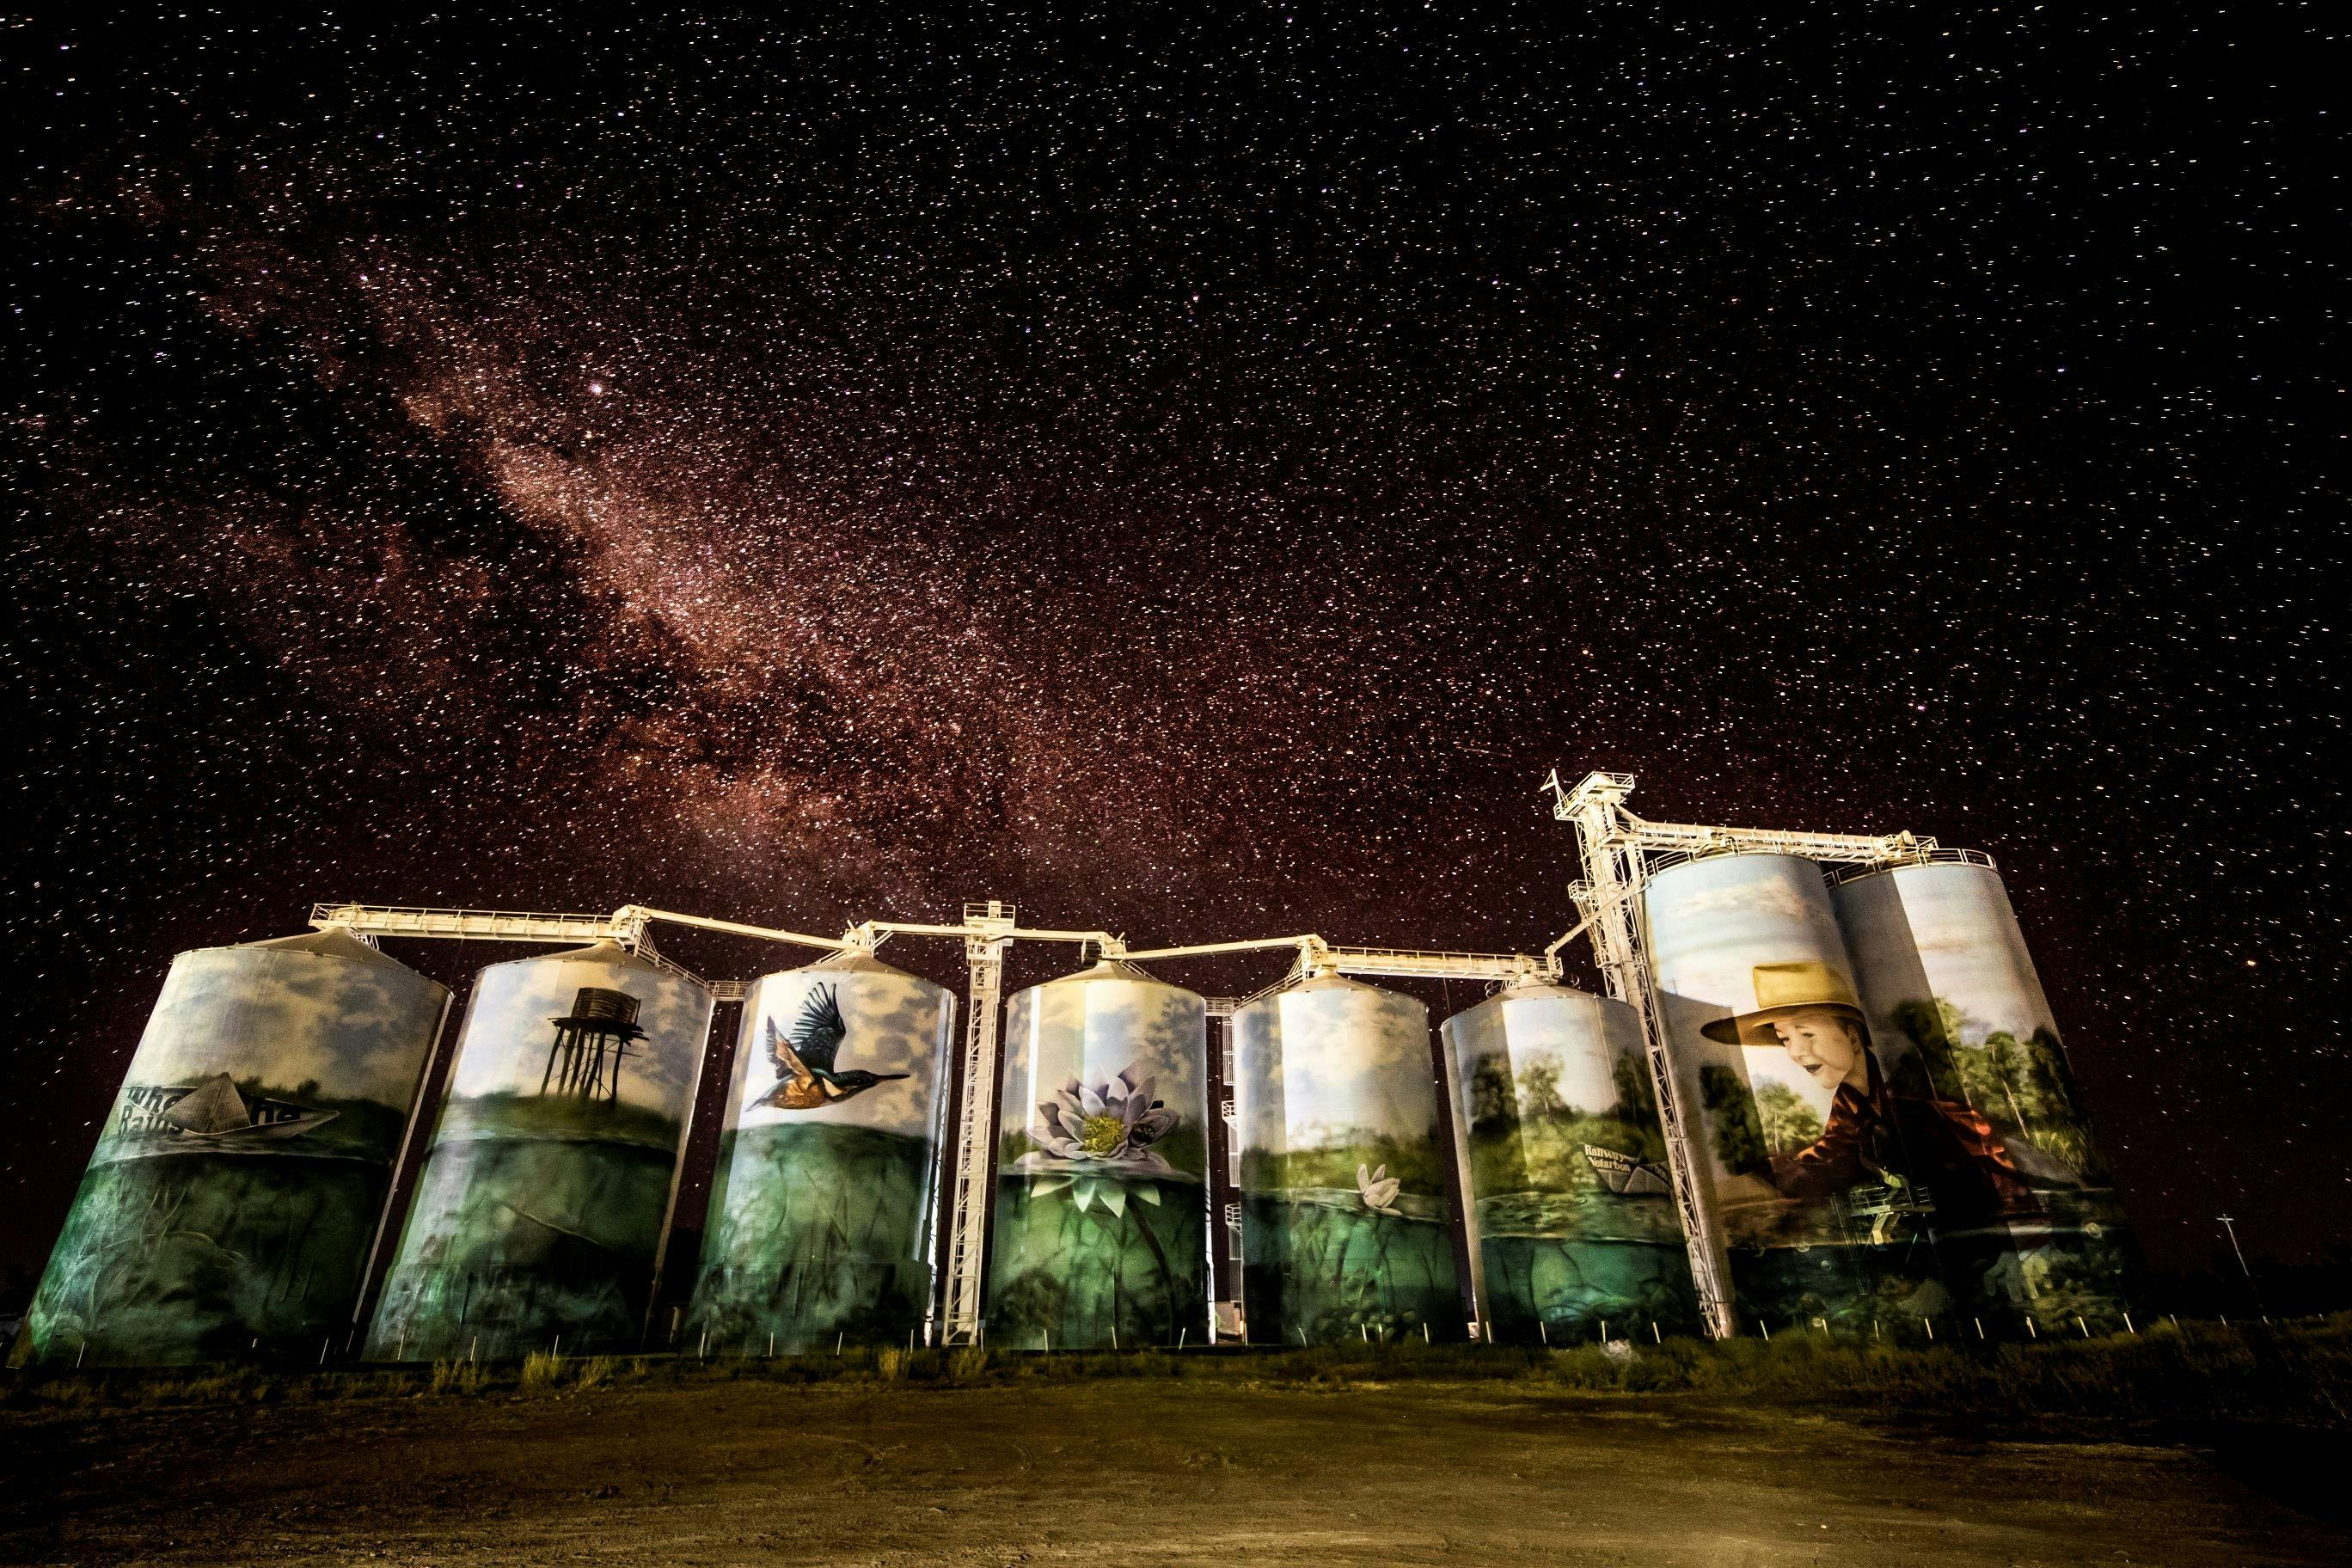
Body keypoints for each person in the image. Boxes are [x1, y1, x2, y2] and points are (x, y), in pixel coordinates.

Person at [1702, 962, 2036, 1233]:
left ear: (1853, 1037)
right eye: (1785, 1039)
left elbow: (1995, 1174)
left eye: (1807, 1034)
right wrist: (1725, 1194)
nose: (1797, 1052)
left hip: (1997, 1235)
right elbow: (1826, 1162)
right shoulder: (1851, 1101)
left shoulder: (1918, 1096)